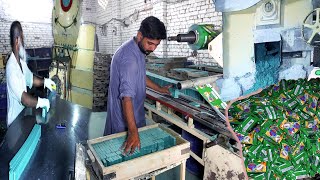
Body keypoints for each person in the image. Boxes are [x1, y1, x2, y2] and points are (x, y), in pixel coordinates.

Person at [104, 16, 171, 154]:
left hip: (136, 115)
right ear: (140, 35)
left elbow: (140, 75)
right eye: (150, 43)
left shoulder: (139, 49)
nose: (153, 48)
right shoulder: (129, 59)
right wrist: (133, 132)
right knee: (122, 159)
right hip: (124, 124)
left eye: (156, 45)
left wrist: (160, 89)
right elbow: (126, 98)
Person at [6, 21, 56, 127]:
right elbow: (25, 100)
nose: (24, 43)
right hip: (14, 123)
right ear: (17, 40)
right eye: (22, 39)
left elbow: (31, 79)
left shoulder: (21, 63)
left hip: (21, 118)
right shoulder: (12, 68)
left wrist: (45, 82)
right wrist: (42, 102)